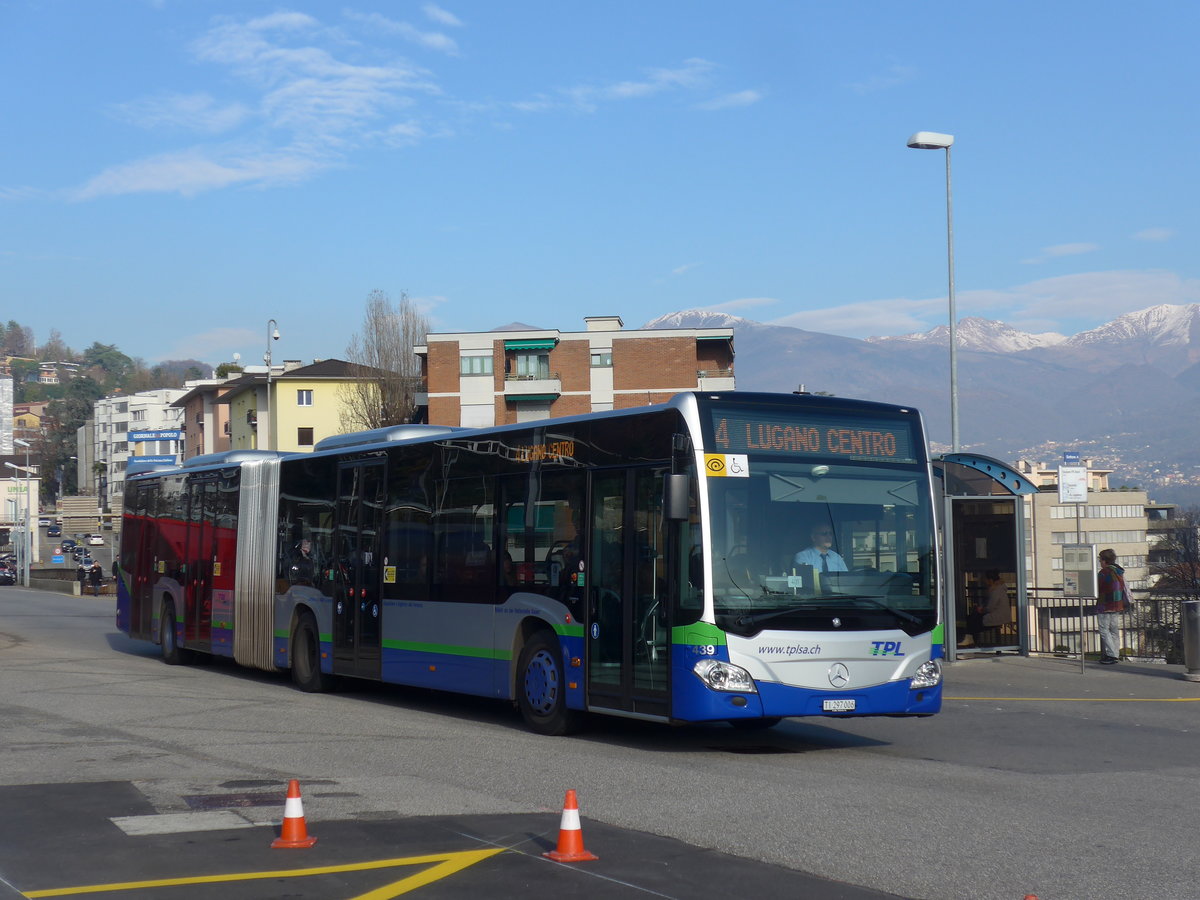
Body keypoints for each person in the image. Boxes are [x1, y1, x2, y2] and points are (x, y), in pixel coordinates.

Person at [1096, 548, 1128, 664]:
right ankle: (1115, 653)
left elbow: (1097, 588)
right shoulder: (1118, 571)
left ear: (1105, 560)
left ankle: (1111, 655)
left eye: (1100, 560)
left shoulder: (1104, 573)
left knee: (1104, 629)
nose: (1100, 562)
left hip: (1105, 603)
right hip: (1117, 603)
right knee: (1114, 629)